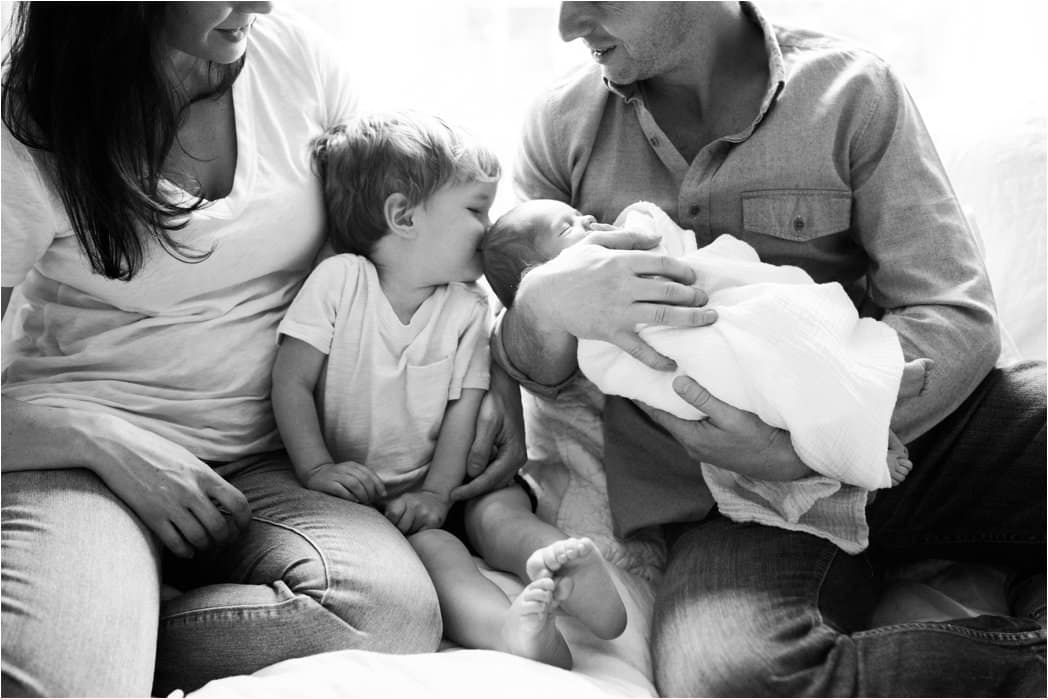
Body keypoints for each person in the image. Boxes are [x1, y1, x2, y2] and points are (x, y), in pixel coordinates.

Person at [492, 2, 1046, 696]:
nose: (570, 25)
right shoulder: (561, 126)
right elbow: (533, 369)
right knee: (732, 677)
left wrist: (805, 439)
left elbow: (955, 316)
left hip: (914, 429)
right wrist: (544, 301)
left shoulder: (851, 92)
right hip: (740, 498)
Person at [0, 4, 524, 696]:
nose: (264, 3)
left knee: (387, 613)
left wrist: (499, 371)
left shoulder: (295, 62)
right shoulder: (29, 126)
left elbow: (406, 243)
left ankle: (120, 626)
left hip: (273, 458)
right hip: (89, 455)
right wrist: (104, 441)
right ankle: (90, 621)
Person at [271, 113, 627, 671]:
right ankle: (510, 630)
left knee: (499, 516)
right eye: (475, 209)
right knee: (441, 560)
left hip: (453, 481)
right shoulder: (340, 283)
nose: (489, 228)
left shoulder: (467, 307)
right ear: (403, 215)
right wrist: (316, 468)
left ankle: (565, 568)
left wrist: (440, 493)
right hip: (382, 500)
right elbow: (291, 380)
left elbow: (466, 408)